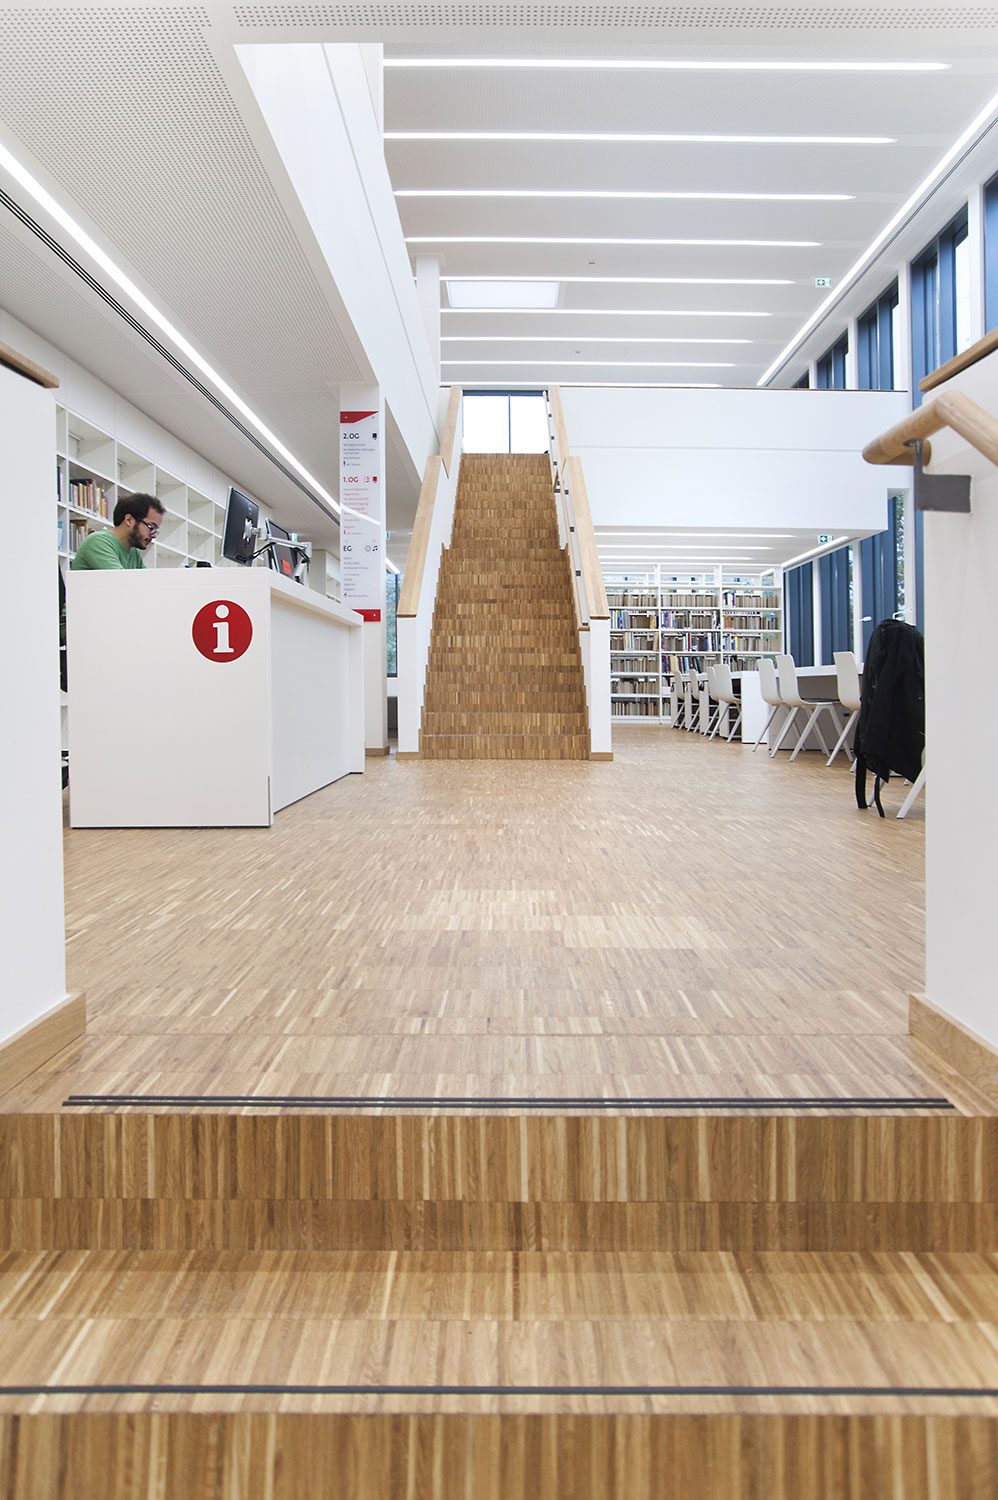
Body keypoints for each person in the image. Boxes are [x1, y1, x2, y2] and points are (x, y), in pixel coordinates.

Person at [70, 493, 165, 570]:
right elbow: (121, 582)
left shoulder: (134, 552)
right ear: (129, 520)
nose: (153, 535)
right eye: (151, 527)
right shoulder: (98, 542)